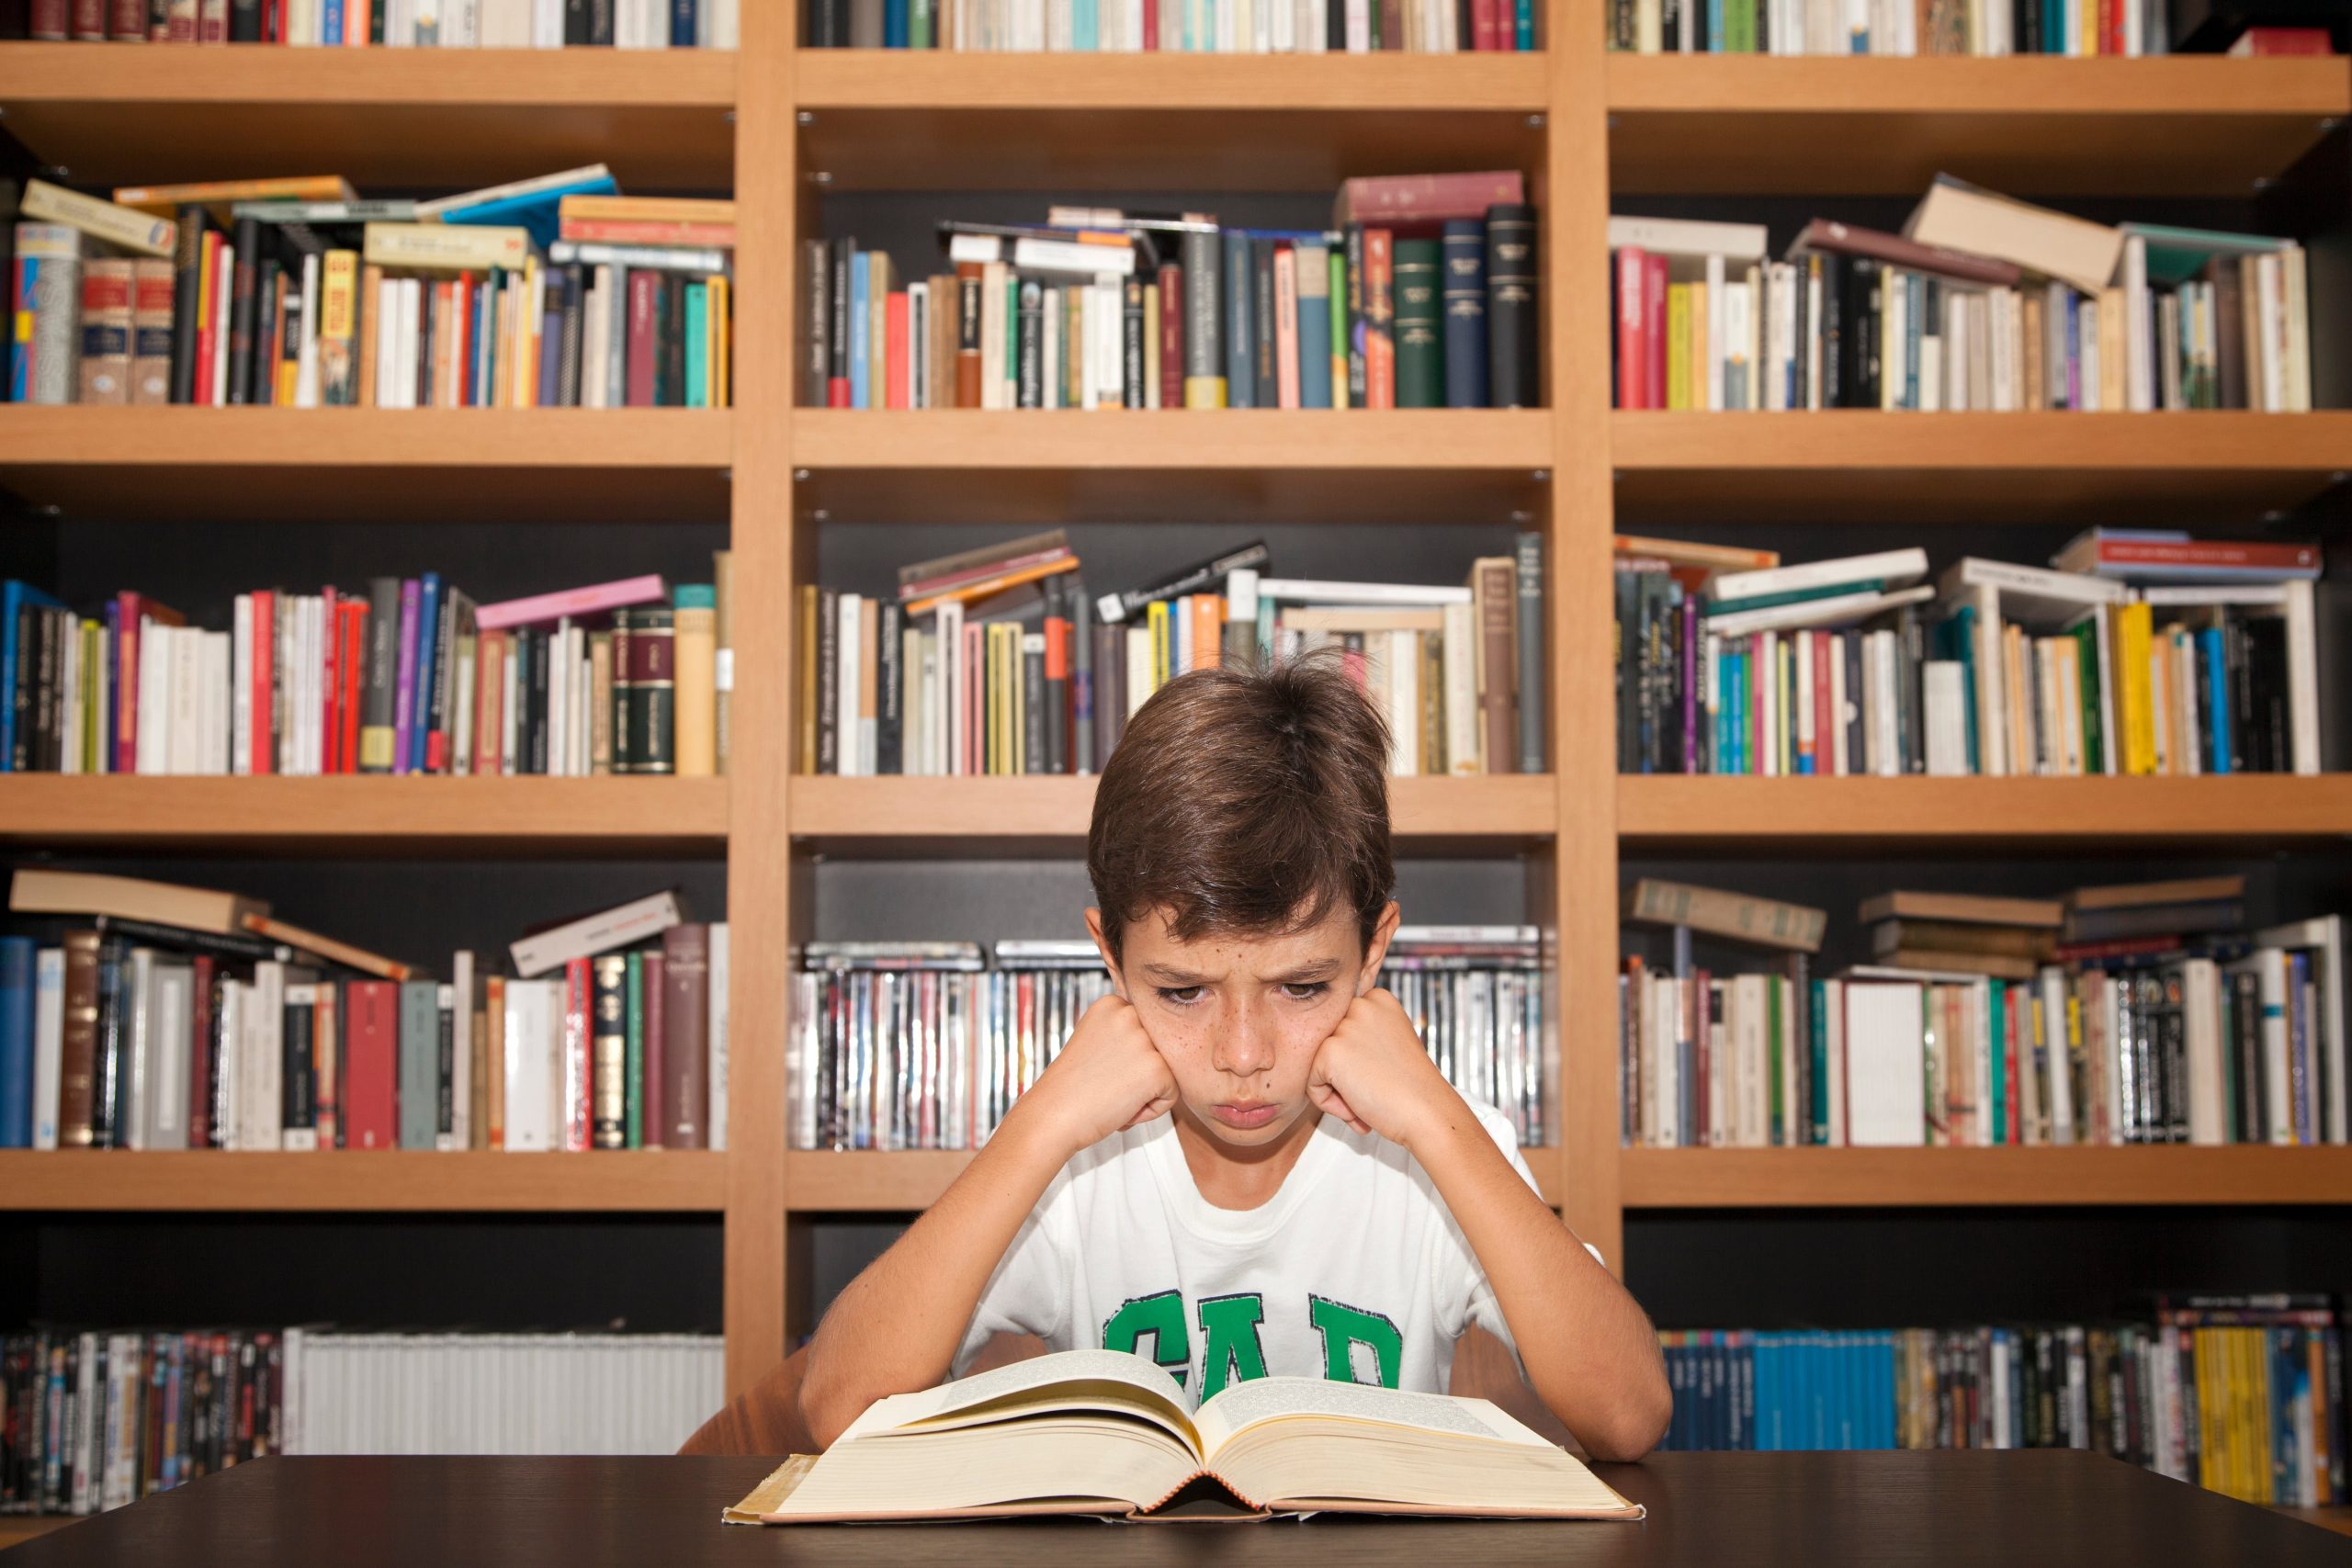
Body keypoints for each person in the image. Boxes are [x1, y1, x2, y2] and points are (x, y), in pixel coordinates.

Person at [797, 651, 1671, 1461]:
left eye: (1300, 988)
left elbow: (1628, 1414)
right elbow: (838, 1406)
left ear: (1373, 953)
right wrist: (1038, 1128)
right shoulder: (1070, 1164)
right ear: (1111, 960)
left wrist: (1441, 1127)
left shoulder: (1436, 1146)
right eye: (1183, 992)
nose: (1243, 1054)